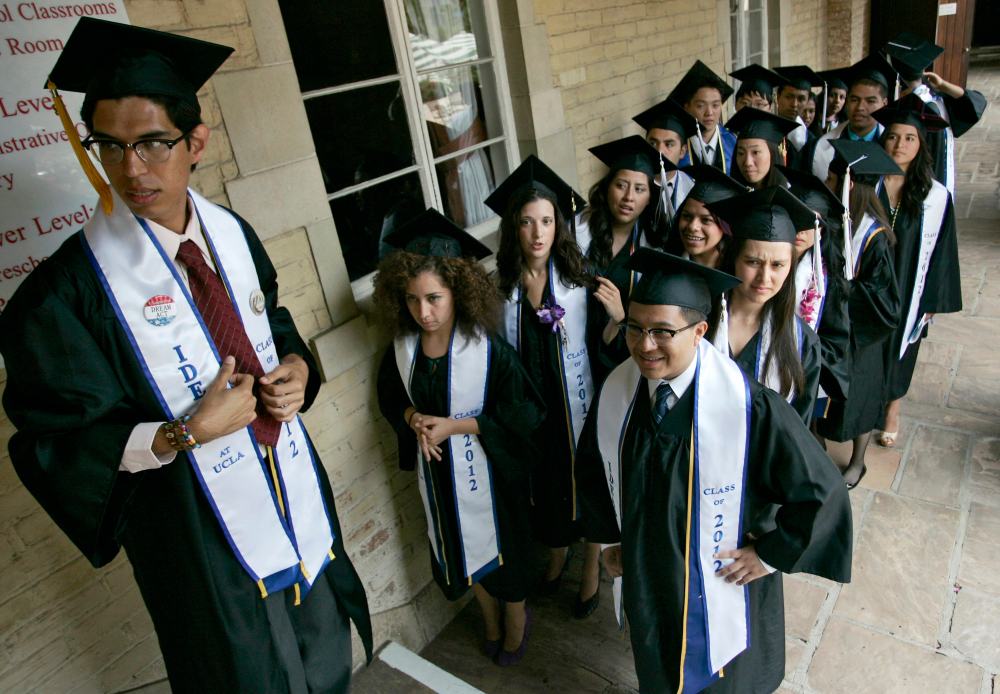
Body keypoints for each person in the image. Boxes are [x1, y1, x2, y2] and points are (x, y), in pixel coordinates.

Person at [0, 18, 372, 692]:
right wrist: (184, 433)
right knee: (245, 677)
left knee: (325, 657)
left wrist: (297, 370)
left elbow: (272, 322)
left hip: (292, 494)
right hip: (200, 541)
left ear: (195, 141)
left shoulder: (230, 234)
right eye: (109, 147)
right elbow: (55, 443)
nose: (129, 169)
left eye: (151, 144)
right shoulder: (61, 297)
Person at [575, 248, 852, 694]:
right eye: (635, 328)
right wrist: (609, 539)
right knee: (660, 670)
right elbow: (592, 470)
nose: (645, 345)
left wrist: (768, 555)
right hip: (650, 575)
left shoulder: (750, 407)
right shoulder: (618, 393)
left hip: (722, 584)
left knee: (725, 683)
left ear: (700, 330)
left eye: (662, 331)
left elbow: (823, 491)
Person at [374, 209, 544, 665]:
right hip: (439, 474)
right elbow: (390, 397)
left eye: (434, 298)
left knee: (502, 557)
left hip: (491, 473)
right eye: (411, 299)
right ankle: (485, 615)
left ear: (458, 291)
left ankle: (514, 618)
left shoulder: (488, 349)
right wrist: (413, 419)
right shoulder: (403, 347)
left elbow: (526, 412)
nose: (423, 312)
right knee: (461, 556)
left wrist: (459, 426)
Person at [485, 156, 607, 620]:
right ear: (514, 229)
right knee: (549, 490)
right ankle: (558, 555)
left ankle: (591, 565)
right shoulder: (502, 288)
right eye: (527, 222)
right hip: (534, 414)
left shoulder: (582, 281)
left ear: (560, 225)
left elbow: (606, 349)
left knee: (590, 488)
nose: (538, 233)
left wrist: (616, 318)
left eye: (547, 221)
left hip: (581, 406)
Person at [871, 96, 961, 448]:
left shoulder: (935, 196)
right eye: (893, 136)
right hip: (872, 281)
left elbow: (943, 251)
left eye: (909, 138)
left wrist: (934, 297)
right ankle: (867, 405)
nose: (900, 144)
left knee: (901, 348)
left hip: (910, 281)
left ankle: (893, 409)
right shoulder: (868, 183)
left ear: (921, 144)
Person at [816, 141, 903, 487]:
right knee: (822, 390)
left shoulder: (874, 235)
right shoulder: (832, 219)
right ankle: (818, 446)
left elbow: (885, 299)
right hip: (829, 325)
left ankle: (857, 461)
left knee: (860, 397)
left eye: (831, 177)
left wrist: (844, 291)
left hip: (860, 334)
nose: (826, 181)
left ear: (847, 182)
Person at [709, 187, 824, 425]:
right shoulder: (700, 318)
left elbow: (796, 430)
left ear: (790, 267)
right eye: (753, 262)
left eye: (778, 265)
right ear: (734, 259)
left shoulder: (802, 343)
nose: (765, 278)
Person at [779, 166, 852, 419]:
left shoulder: (826, 280)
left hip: (803, 374)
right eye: (795, 216)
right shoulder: (768, 262)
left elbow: (835, 341)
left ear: (821, 228)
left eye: (811, 221)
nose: (801, 228)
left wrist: (804, 358)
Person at [886, 32, 988, 195]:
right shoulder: (938, 99)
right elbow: (977, 101)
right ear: (924, 69)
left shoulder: (906, 110)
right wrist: (942, 84)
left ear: (897, 73)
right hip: (943, 177)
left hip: (921, 181)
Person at [812, 55, 898, 181]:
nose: (860, 107)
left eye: (870, 101)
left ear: (884, 104)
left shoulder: (894, 146)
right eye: (854, 99)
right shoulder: (822, 146)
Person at [632, 99, 699, 229]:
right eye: (652, 143)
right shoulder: (632, 187)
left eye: (669, 144)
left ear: (682, 151)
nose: (659, 151)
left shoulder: (692, 187)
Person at [664, 164, 748, 268]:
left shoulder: (739, 273)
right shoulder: (664, 268)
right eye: (687, 216)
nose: (692, 226)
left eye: (705, 220)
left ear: (726, 226)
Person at [669, 60, 738, 173]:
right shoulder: (676, 146)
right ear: (686, 107)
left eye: (715, 105)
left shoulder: (733, 142)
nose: (709, 113)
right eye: (701, 106)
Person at [724, 107, 799, 190]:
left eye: (755, 152)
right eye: (741, 153)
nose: (748, 163)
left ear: (773, 154)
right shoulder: (728, 196)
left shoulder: (791, 198)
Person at [773, 65, 823, 170]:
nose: (794, 104)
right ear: (778, 96)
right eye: (789, 97)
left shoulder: (810, 142)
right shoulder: (764, 131)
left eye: (801, 99)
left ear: (808, 100)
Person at [816, 69, 849, 134]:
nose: (837, 101)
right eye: (832, 96)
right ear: (824, 96)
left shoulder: (846, 125)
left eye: (842, 97)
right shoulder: (811, 120)